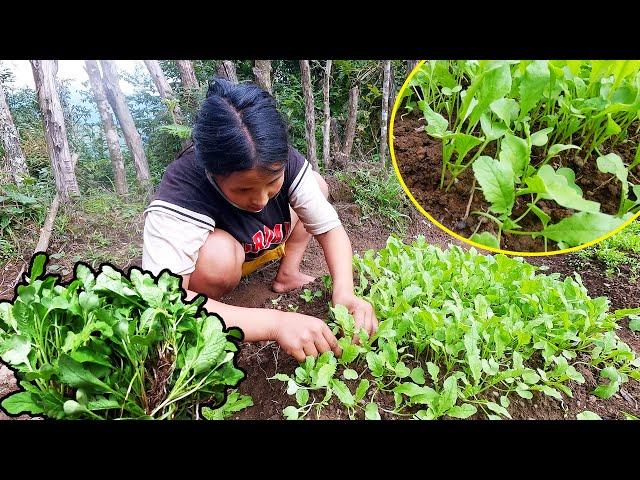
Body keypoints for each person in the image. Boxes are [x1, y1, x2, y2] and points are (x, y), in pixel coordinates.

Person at [142, 77, 378, 362]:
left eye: (273, 182)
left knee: (316, 186)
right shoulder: (181, 191)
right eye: (244, 189)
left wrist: (345, 292)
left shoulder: (279, 159)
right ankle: (218, 308)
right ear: (212, 172)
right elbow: (164, 300)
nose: (262, 200)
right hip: (224, 264)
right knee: (217, 258)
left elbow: (330, 229)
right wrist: (276, 323)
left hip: (262, 244)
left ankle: (287, 273)